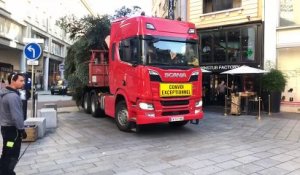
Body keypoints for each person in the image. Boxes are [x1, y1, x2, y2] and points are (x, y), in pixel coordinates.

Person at [0, 72, 27, 175]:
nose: (23, 83)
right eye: (21, 80)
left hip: (5, 128)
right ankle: (7, 172)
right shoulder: (12, 96)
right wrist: (22, 130)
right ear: (13, 80)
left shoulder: (3, 93)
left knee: (7, 150)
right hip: (13, 131)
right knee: (12, 152)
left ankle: (4, 170)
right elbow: (16, 116)